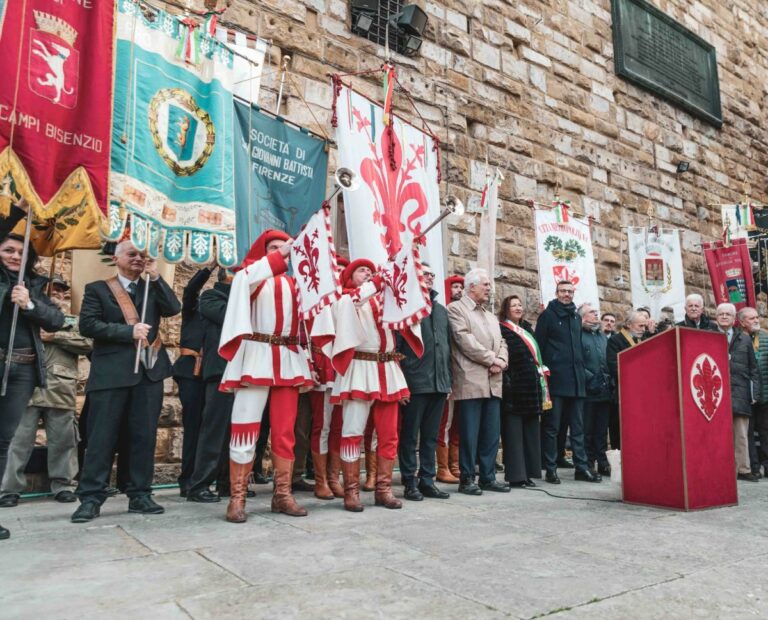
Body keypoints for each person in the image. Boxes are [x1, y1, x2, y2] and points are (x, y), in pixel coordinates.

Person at [71, 241, 181, 523]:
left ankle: (140, 494)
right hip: (111, 374)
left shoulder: (151, 287)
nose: (138, 259)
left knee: (144, 437)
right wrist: (128, 331)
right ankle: (91, 497)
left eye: (142, 255)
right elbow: (89, 325)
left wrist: (155, 275)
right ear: (116, 258)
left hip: (148, 373)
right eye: (132, 254)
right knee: (101, 438)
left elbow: (172, 308)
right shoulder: (98, 289)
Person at [218, 230, 314, 522]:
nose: (280, 250)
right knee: (245, 427)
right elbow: (245, 280)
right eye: (273, 247)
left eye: (283, 246)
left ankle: (282, 495)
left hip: (287, 361)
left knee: (285, 432)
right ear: (264, 250)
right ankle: (237, 499)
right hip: (256, 358)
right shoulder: (251, 275)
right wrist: (279, 255)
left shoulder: (295, 284)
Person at [319, 258, 409, 512]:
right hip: (359, 366)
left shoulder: (383, 299)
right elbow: (356, 299)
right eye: (362, 270)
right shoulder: (344, 297)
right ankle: (351, 491)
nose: (368, 274)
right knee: (352, 431)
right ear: (350, 275)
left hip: (387, 368)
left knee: (389, 434)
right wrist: (378, 281)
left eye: (371, 271)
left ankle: (383, 489)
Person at [0, 274, 90, 507]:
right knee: (17, 441)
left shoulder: (71, 320)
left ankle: (63, 485)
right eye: (53, 290)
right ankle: (8, 488)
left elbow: (89, 342)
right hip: (26, 386)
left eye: (61, 291)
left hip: (60, 387)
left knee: (64, 441)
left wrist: (55, 335)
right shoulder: (23, 315)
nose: (58, 294)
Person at [0, 232, 65, 539]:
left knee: (3, 440)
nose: (15, 256)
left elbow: (55, 320)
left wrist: (28, 305)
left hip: (23, 370)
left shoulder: (34, 284)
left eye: (21, 252)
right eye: (8, 250)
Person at [447, 268, 509, 495]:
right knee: (470, 434)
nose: (489, 289)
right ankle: (467, 478)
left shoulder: (491, 315)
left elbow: (502, 342)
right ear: (471, 286)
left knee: (491, 433)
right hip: (471, 380)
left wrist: (501, 360)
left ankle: (488, 476)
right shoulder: (456, 309)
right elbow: (465, 341)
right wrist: (492, 359)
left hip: (494, 380)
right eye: (485, 284)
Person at [534, 280, 600, 484]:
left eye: (570, 291)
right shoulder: (547, 316)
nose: (566, 295)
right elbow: (540, 346)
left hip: (577, 382)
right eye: (563, 291)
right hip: (556, 381)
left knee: (578, 428)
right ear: (556, 293)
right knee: (552, 427)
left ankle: (581, 468)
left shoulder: (574, 316)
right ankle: (550, 468)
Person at [397, 263, 452, 501]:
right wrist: (402, 382)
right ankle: (410, 481)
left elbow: (447, 347)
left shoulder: (441, 311)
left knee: (430, 436)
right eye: (424, 274)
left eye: (432, 274)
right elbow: (398, 349)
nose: (429, 277)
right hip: (415, 382)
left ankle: (428, 479)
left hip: (439, 383)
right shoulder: (406, 308)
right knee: (410, 435)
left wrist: (447, 380)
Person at [185, 268, 235, 503]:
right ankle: (200, 484)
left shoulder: (247, 296)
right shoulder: (211, 297)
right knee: (214, 431)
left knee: (235, 432)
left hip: (243, 371)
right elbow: (231, 317)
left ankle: (227, 483)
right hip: (220, 371)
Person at [172, 267, 212, 497]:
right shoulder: (192, 311)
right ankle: (187, 478)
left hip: (211, 374)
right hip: (190, 373)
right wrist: (210, 268)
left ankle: (205, 477)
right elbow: (190, 289)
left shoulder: (219, 315)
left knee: (210, 429)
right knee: (193, 428)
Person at [498, 295, 545, 487]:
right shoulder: (503, 329)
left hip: (531, 389)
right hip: (515, 390)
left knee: (531, 433)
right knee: (515, 435)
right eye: (513, 305)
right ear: (506, 309)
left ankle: (530, 472)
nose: (518, 308)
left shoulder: (526, 328)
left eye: (520, 305)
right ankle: (517, 476)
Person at [715, 303, 759, 482]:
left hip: (739, 390)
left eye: (728, 314)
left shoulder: (745, 339)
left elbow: (753, 369)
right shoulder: (708, 335)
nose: (724, 317)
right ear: (716, 317)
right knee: (717, 433)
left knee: (741, 432)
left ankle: (743, 468)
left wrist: (754, 392)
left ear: (734, 319)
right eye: (721, 314)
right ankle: (721, 468)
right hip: (715, 391)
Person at [606, 310, 648, 450]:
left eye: (644, 326)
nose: (643, 329)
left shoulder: (642, 339)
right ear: (629, 324)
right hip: (621, 393)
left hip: (641, 394)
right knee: (619, 430)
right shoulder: (615, 340)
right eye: (640, 326)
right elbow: (613, 365)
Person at [436, 275, 464, 484]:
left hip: (461, 374)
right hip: (446, 373)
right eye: (455, 286)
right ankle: (443, 466)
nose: (459, 290)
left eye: (461, 287)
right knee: (444, 422)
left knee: (456, 423)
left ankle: (455, 465)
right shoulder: (442, 313)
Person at [579, 303, 612, 476]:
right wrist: (590, 378)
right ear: (583, 316)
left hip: (604, 390)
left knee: (601, 429)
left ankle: (602, 461)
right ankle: (588, 462)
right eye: (592, 312)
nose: (596, 314)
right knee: (588, 429)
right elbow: (577, 362)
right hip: (588, 390)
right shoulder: (578, 335)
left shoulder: (601, 336)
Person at [738, 306, 766, 477]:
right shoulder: (738, 338)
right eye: (751, 318)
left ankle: (767, 465)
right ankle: (754, 467)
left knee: (765, 431)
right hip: (746, 395)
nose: (756, 320)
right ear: (742, 322)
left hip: (764, 394)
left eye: (757, 317)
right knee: (748, 432)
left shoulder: (765, 337)